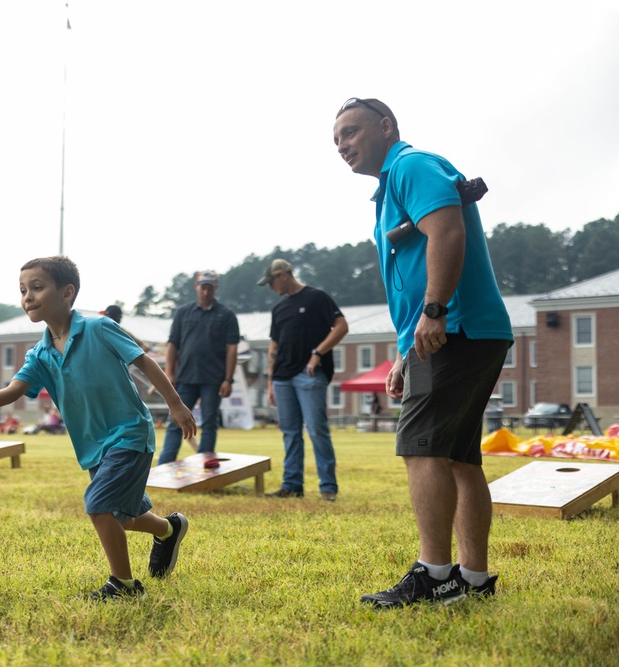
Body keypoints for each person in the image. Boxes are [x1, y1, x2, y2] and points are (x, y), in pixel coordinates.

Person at [334, 97, 512, 607]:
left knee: (423, 447)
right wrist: (402, 355)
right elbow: (409, 274)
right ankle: (473, 580)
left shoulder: (410, 165)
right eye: (337, 139)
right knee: (459, 456)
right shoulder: (389, 189)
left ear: (386, 126)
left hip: (454, 326)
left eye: (351, 131)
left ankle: (435, 575)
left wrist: (435, 310)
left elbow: (447, 230)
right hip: (464, 330)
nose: (344, 145)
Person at [0, 256, 196, 600]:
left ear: (67, 292)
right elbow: (15, 390)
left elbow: (144, 361)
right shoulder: (40, 354)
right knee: (123, 514)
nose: (28, 296)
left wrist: (175, 405)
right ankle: (169, 529)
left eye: (37, 287)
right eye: (22, 290)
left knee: (99, 505)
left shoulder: (98, 328)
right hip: (92, 446)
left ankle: (124, 585)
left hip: (129, 433)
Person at [258, 258, 348, 501]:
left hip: (309, 375)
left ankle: (328, 487)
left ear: (284, 275)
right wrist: (270, 382)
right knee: (290, 431)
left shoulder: (317, 297)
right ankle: (292, 485)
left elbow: (341, 326)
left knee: (317, 429)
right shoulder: (279, 308)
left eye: (271, 282)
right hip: (282, 378)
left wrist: (318, 354)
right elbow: (274, 345)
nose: (270, 287)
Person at [157, 270, 239, 464]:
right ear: (197, 287)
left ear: (215, 288)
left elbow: (232, 349)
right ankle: (164, 465)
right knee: (176, 421)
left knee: (210, 423)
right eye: (203, 287)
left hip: (214, 379)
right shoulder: (183, 313)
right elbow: (172, 345)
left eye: (210, 288)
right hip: (185, 378)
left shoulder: (226, 315)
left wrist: (228, 379)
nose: (206, 292)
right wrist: (169, 373)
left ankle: (206, 467)